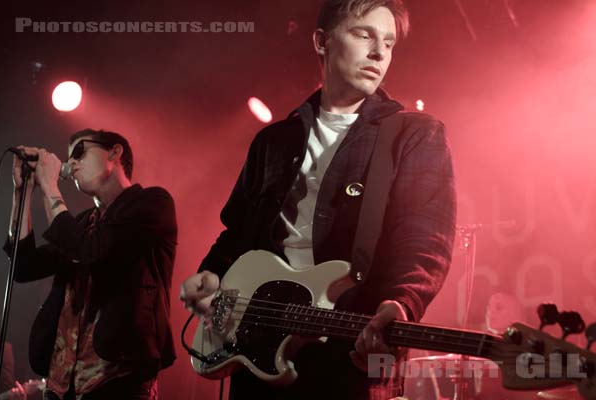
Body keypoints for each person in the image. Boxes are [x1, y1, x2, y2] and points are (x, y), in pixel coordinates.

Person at [180, 0, 456, 399]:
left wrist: (402, 303)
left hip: (348, 352)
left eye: (390, 43)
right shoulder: (274, 140)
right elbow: (237, 234)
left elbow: (426, 237)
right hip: (259, 350)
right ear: (321, 41)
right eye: (365, 35)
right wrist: (210, 275)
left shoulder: (413, 135)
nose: (380, 53)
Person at [5, 129, 177, 399]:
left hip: (119, 378)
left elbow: (91, 250)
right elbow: (24, 266)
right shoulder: (85, 222)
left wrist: (50, 186)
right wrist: (22, 192)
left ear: (114, 152)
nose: (71, 163)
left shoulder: (152, 204)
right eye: (68, 157)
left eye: (79, 152)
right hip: (63, 384)